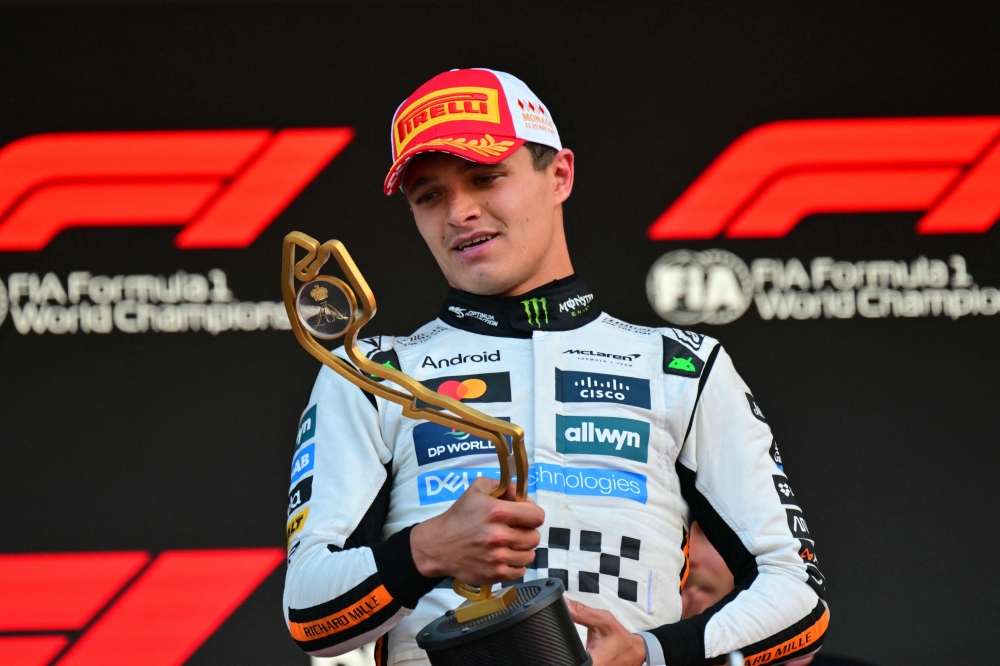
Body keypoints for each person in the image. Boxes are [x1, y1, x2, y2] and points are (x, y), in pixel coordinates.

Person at [282, 68, 829, 666]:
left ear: (559, 175)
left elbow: (797, 593)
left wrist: (650, 654)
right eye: (429, 195)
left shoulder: (681, 367)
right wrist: (426, 551)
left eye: (486, 177)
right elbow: (308, 610)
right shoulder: (370, 374)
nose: (459, 212)